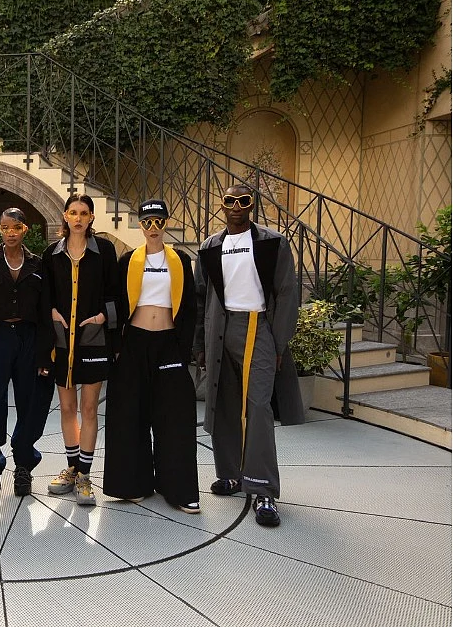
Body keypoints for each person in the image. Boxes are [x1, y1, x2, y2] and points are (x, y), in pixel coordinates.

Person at [194, 184, 304, 527]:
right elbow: (200, 297)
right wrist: (200, 344)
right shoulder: (210, 246)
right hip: (220, 327)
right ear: (222, 205)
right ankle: (230, 474)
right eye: (230, 201)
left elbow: (287, 292)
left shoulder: (273, 243)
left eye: (243, 201)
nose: (236, 206)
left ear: (252, 205)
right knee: (223, 402)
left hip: (258, 328)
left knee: (258, 407)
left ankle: (263, 488)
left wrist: (279, 343)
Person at [104, 199, 200, 513]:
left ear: (166, 222)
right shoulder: (128, 260)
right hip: (134, 342)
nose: (153, 227)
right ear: (141, 225)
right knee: (130, 413)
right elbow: (116, 303)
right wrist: (116, 347)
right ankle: (133, 484)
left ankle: (179, 489)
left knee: (175, 415)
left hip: (169, 343)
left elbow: (190, 307)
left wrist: (184, 350)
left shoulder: (180, 260)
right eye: (148, 222)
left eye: (159, 221)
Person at [0, 208, 54, 501]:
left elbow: (44, 312)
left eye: (16, 227)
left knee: (32, 403)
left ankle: (24, 466)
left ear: (25, 229)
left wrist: (45, 355)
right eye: (5, 228)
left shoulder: (38, 264)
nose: (11, 232)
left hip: (29, 338)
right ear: (0, 230)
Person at [41, 193, 119, 506]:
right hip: (63, 341)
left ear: (91, 218)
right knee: (67, 408)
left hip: (93, 338)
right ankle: (72, 468)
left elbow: (116, 293)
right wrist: (51, 312)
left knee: (88, 408)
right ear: (65, 216)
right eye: (73, 212)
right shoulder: (52, 254)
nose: (78, 218)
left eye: (84, 213)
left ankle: (85, 475)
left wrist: (102, 317)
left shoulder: (104, 251)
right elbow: (45, 294)